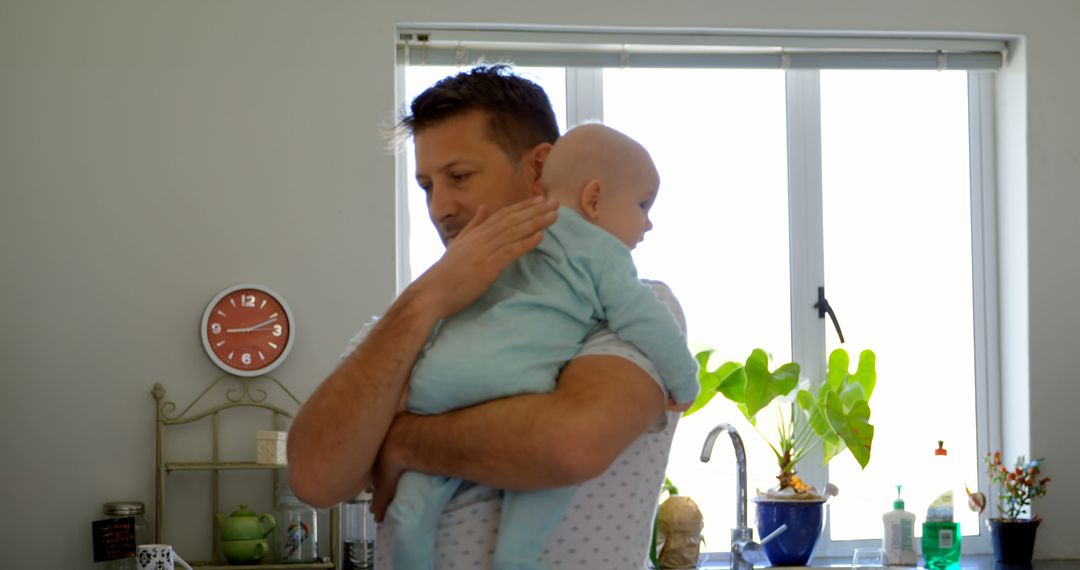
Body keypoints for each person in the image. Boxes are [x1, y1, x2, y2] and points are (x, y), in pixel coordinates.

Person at [286, 65, 692, 569]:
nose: (439, 207)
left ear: (540, 168)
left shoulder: (630, 308)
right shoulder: (402, 326)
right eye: (427, 186)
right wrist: (424, 301)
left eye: (459, 177)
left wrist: (403, 442)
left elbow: (568, 444)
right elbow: (315, 477)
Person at [387, 122, 699, 570]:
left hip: (435, 383)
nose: (648, 222)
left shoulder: (506, 239)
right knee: (543, 478)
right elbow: (641, 318)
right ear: (593, 199)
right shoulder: (601, 252)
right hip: (509, 381)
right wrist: (685, 383)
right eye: (642, 204)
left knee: (417, 502)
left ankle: (413, 533)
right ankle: (518, 558)